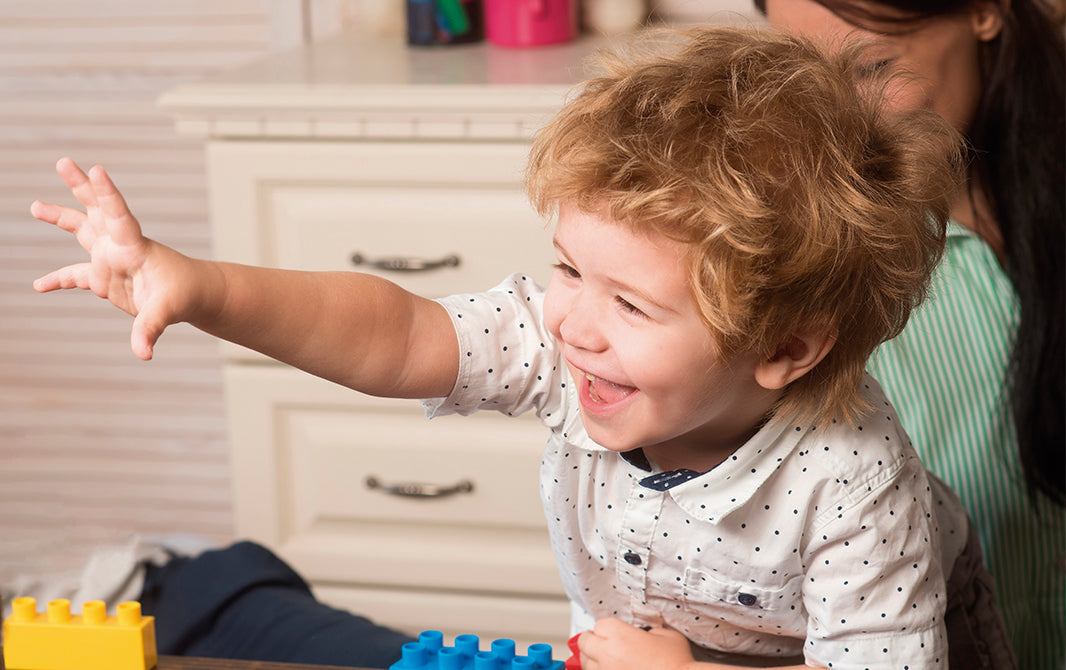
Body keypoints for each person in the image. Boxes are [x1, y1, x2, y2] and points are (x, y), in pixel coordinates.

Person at [30, 26, 1013, 669]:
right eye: (568, 268)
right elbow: (396, 331)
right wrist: (196, 284)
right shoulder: (565, 347)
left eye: (630, 303)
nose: (572, 321)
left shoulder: (851, 476)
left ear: (787, 348)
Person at [753, 2, 1066, 667]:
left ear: (985, 10)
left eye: (868, 67)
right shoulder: (805, 273)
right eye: (807, 76)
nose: (835, 117)